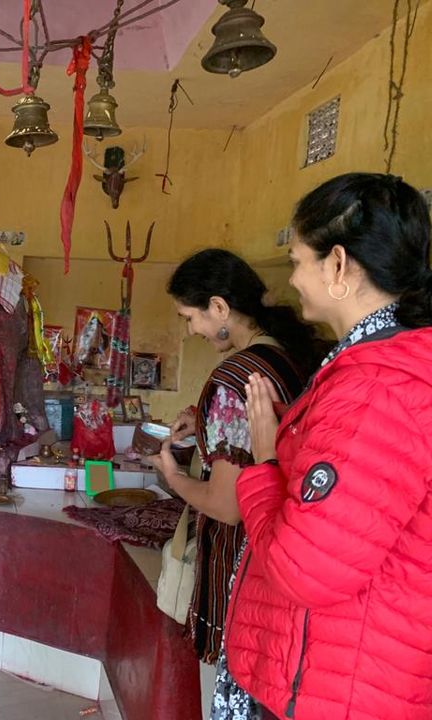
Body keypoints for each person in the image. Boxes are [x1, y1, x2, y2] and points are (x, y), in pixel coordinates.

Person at [226, 173, 432, 720]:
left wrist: (266, 461)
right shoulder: (371, 369)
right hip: (340, 674)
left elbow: (304, 568)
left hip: (341, 689)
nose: (290, 280)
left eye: (296, 261)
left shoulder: (378, 388)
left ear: (338, 265)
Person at [153, 249, 323, 720]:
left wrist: (173, 477)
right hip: (285, 556)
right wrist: (201, 421)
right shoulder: (288, 359)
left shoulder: (234, 379)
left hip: (242, 563)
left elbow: (225, 505)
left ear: (219, 308)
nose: (192, 330)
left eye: (191, 318)